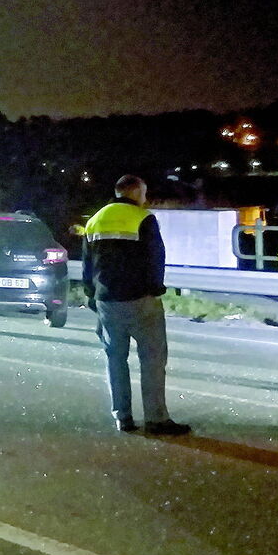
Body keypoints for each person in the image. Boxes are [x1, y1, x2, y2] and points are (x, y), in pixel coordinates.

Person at [82, 175, 190, 435]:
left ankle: (123, 417)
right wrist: (155, 289)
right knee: (152, 360)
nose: (145, 197)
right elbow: (155, 257)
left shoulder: (95, 220)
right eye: (144, 193)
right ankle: (156, 419)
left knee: (115, 360)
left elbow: (87, 263)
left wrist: (92, 294)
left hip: (107, 301)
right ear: (137, 192)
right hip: (141, 299)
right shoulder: (144, 218)